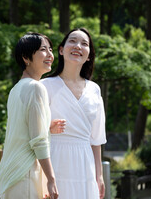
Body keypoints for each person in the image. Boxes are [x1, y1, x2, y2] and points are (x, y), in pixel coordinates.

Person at [0, 32, 65, 199]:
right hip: (24, 174)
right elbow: (38, 141)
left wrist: (46, 126)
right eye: (43, 49)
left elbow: (22, 130)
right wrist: (51, 179)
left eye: (50, 49)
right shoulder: (36, 87)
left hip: (11, 175)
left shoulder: (16, 89)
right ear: (26, 58)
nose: (50, 55)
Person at [41, 28, 107, 199]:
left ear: (89, 56)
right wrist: (49, 127)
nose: (78, 46)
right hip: (54, 159)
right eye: (72, 41)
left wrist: (99, 176)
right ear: (61, 50)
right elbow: (32, 130)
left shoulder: (94, 90)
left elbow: (96, 139)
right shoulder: (45, 85)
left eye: (84, 44)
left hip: (85, 164)